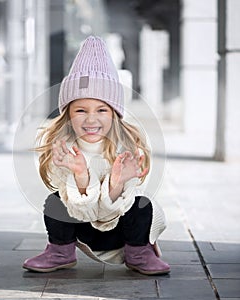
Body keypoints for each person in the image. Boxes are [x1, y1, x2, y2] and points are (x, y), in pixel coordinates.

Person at [23, 36, 170, 275]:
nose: (91, 120)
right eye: (81, 110)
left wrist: (117, 183)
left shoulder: (127, 148)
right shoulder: (64, 149)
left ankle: (139, 252)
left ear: (115, 113)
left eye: (102, 110)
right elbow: (85, 211)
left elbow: (110, 212)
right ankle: (60, 251)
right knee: (56, 201)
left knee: (142, 204)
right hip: (84, 226)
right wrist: (80, 174)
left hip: (119, 232)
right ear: (68, 114)